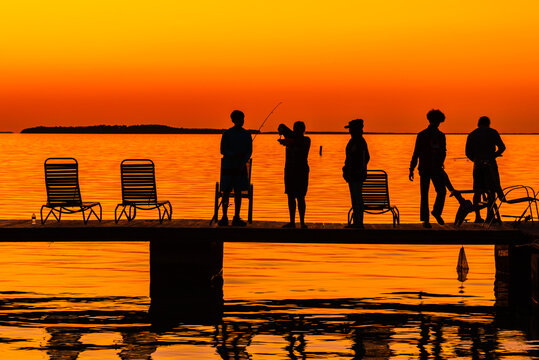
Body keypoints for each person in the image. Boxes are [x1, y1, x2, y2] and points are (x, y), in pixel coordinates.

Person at [409, 109, 448, 228]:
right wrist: (412, 167)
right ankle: (427, 218)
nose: (437, 123)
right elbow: (416, 152)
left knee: (439, 192)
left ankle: (434, 213)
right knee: (430, 193)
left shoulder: (437, 135)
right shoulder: (425, 135)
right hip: (427, 168)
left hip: (432, 168)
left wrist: (441, 162)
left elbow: (443, 152)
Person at [465, 116, 506, 223]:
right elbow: (502, 147)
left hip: (477, 166)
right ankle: (489, 216)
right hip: (491, 166)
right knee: (492, 191)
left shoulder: (472, 134)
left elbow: (468, 153)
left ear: (478, 123)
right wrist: (494, 155)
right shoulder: (493, 132)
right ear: (488, 123)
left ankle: (477, 217)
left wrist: (475, 159)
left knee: (477, 191)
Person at [218, 110, 252, 226]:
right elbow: (223, 150)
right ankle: (224, 217)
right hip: (228, 167)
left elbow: (249, 151)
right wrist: (234, 155)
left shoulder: (247, 134)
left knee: (238, 192)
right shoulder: (226, 134)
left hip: (241, 167)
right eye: (238, 119)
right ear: (233, 120)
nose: (241, 121)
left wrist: (242, 161)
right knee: (226, 192)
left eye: (242, 119)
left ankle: (236, 217)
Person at [277, 122, 311, 229]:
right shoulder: (291, 139)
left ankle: (302, 222)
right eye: (295, 129)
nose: (297, 131)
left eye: (298, 129)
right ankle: (292, 222)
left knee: (301, 197)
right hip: (290, 171)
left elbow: (298, 142)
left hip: (301, 171)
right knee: (290, 196)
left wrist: (288, 140)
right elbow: (285, 130)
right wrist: (283, 130)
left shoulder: (306, 140)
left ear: (303, 130)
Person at [343, 119, 370, 228]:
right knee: (355, 197)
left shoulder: (359, 142)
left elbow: (365, 158)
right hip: (353, 174)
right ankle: (357, 222)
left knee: (357, 197)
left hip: (356, 175)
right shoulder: (355, 141)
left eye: (351, 129)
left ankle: (358, 222)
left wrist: (359, 169)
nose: (349, 131)